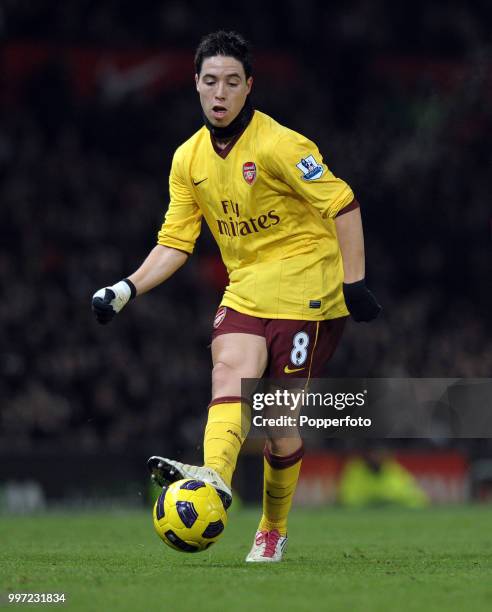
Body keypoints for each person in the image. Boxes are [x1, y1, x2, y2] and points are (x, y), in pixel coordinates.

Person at [92, 30, 381, 562]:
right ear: (196, 86)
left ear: (249, 87)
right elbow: (175, 240)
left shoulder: (281, 145)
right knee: (228, 374)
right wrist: (127, 287)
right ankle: (214, 479)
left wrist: (354, 283)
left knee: (277, 424)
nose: (219, 92)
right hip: (246, 288)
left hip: (308, 291)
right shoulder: (188, 159)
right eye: (209, 82)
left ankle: (272, 527)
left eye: (231, 82)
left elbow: (344, 203)